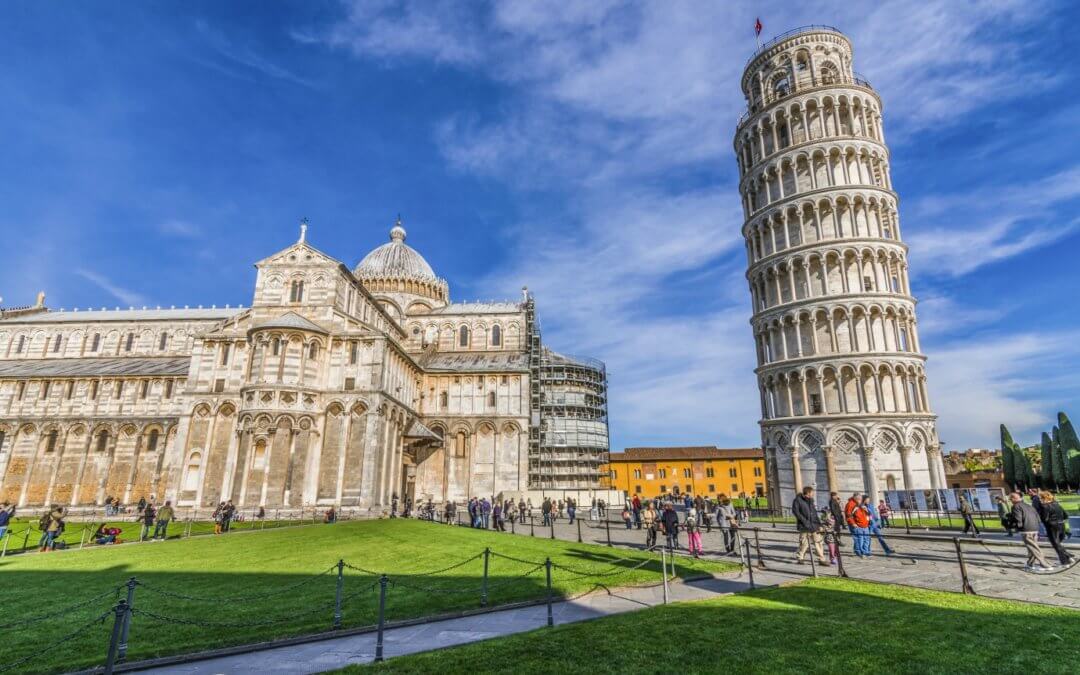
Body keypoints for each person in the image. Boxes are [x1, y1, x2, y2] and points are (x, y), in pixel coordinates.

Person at [1010, 491, 1050, 570]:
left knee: (1033, 547)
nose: (1010, 500)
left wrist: (1017, 527)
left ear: (1014, 499)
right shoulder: (1029, 506)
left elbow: (1018, 519)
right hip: (1035, 528)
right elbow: (1038, 518)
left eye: (1011, 498)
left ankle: (1045, 564)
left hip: (1026, 529)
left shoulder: (1016, 506)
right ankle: (1030, 564)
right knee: (1032, 547)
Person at [1040, 491, 1074, 566]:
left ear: (1043, 498)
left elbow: (1044, 519)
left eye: (1040, 498)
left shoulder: (1045, 506)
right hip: (1061, 525)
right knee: (1058, 543)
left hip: (1052, 527)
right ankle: (1067, 558)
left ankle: (1065, 560)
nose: (1040, 500)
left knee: (1056, 544)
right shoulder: (1057, 505)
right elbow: (1066, 516)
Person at [792, 486, 825, 564]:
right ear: (808, 493)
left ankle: (821, 559)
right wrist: (805, 522)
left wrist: (819, 524)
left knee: (818, 542)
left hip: (814, 525)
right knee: (804, 543)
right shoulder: (797, 500)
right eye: (812, 492)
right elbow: (796, 512)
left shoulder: (811, 500)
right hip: (804, 526)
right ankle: (800, 557)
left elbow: (814, 513)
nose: (813, 494)